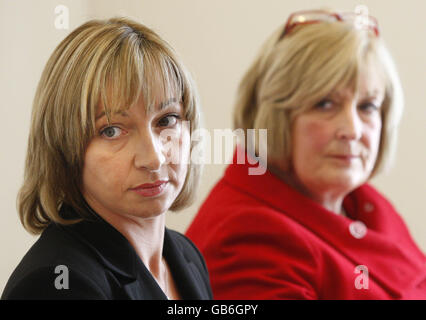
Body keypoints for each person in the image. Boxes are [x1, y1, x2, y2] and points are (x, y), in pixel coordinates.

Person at [186, 9, 426, 299]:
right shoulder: (249, 237)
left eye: (367, 106)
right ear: (276, 115)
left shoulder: (362, 203)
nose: (352, 130)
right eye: (325, 104)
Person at [2, 17, 212, 300]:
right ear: (65, 147)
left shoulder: (186, 256)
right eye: (111, 130)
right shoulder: (57, 285)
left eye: (167, 120)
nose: (153, 158)